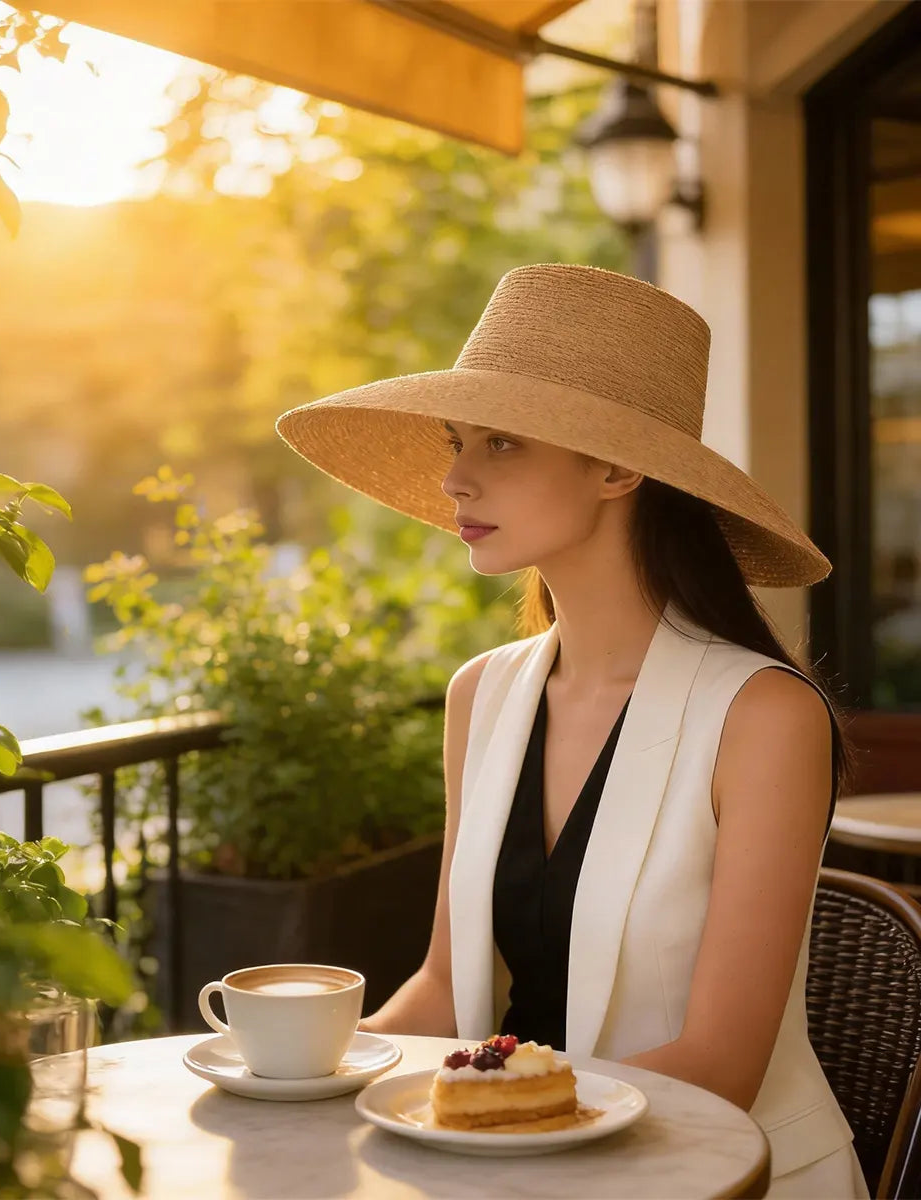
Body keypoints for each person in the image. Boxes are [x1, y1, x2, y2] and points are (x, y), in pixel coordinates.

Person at [275, 264, 869, 1198]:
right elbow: (442, 985)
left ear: (617, 466)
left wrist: (467, 1116)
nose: (455, 477)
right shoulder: (482, 692)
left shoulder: (764, 716)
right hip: (500, 1162)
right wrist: (308, 1084)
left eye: (501, 443)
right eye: (457, 441)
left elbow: (722, 1062)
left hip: (716, 1175)